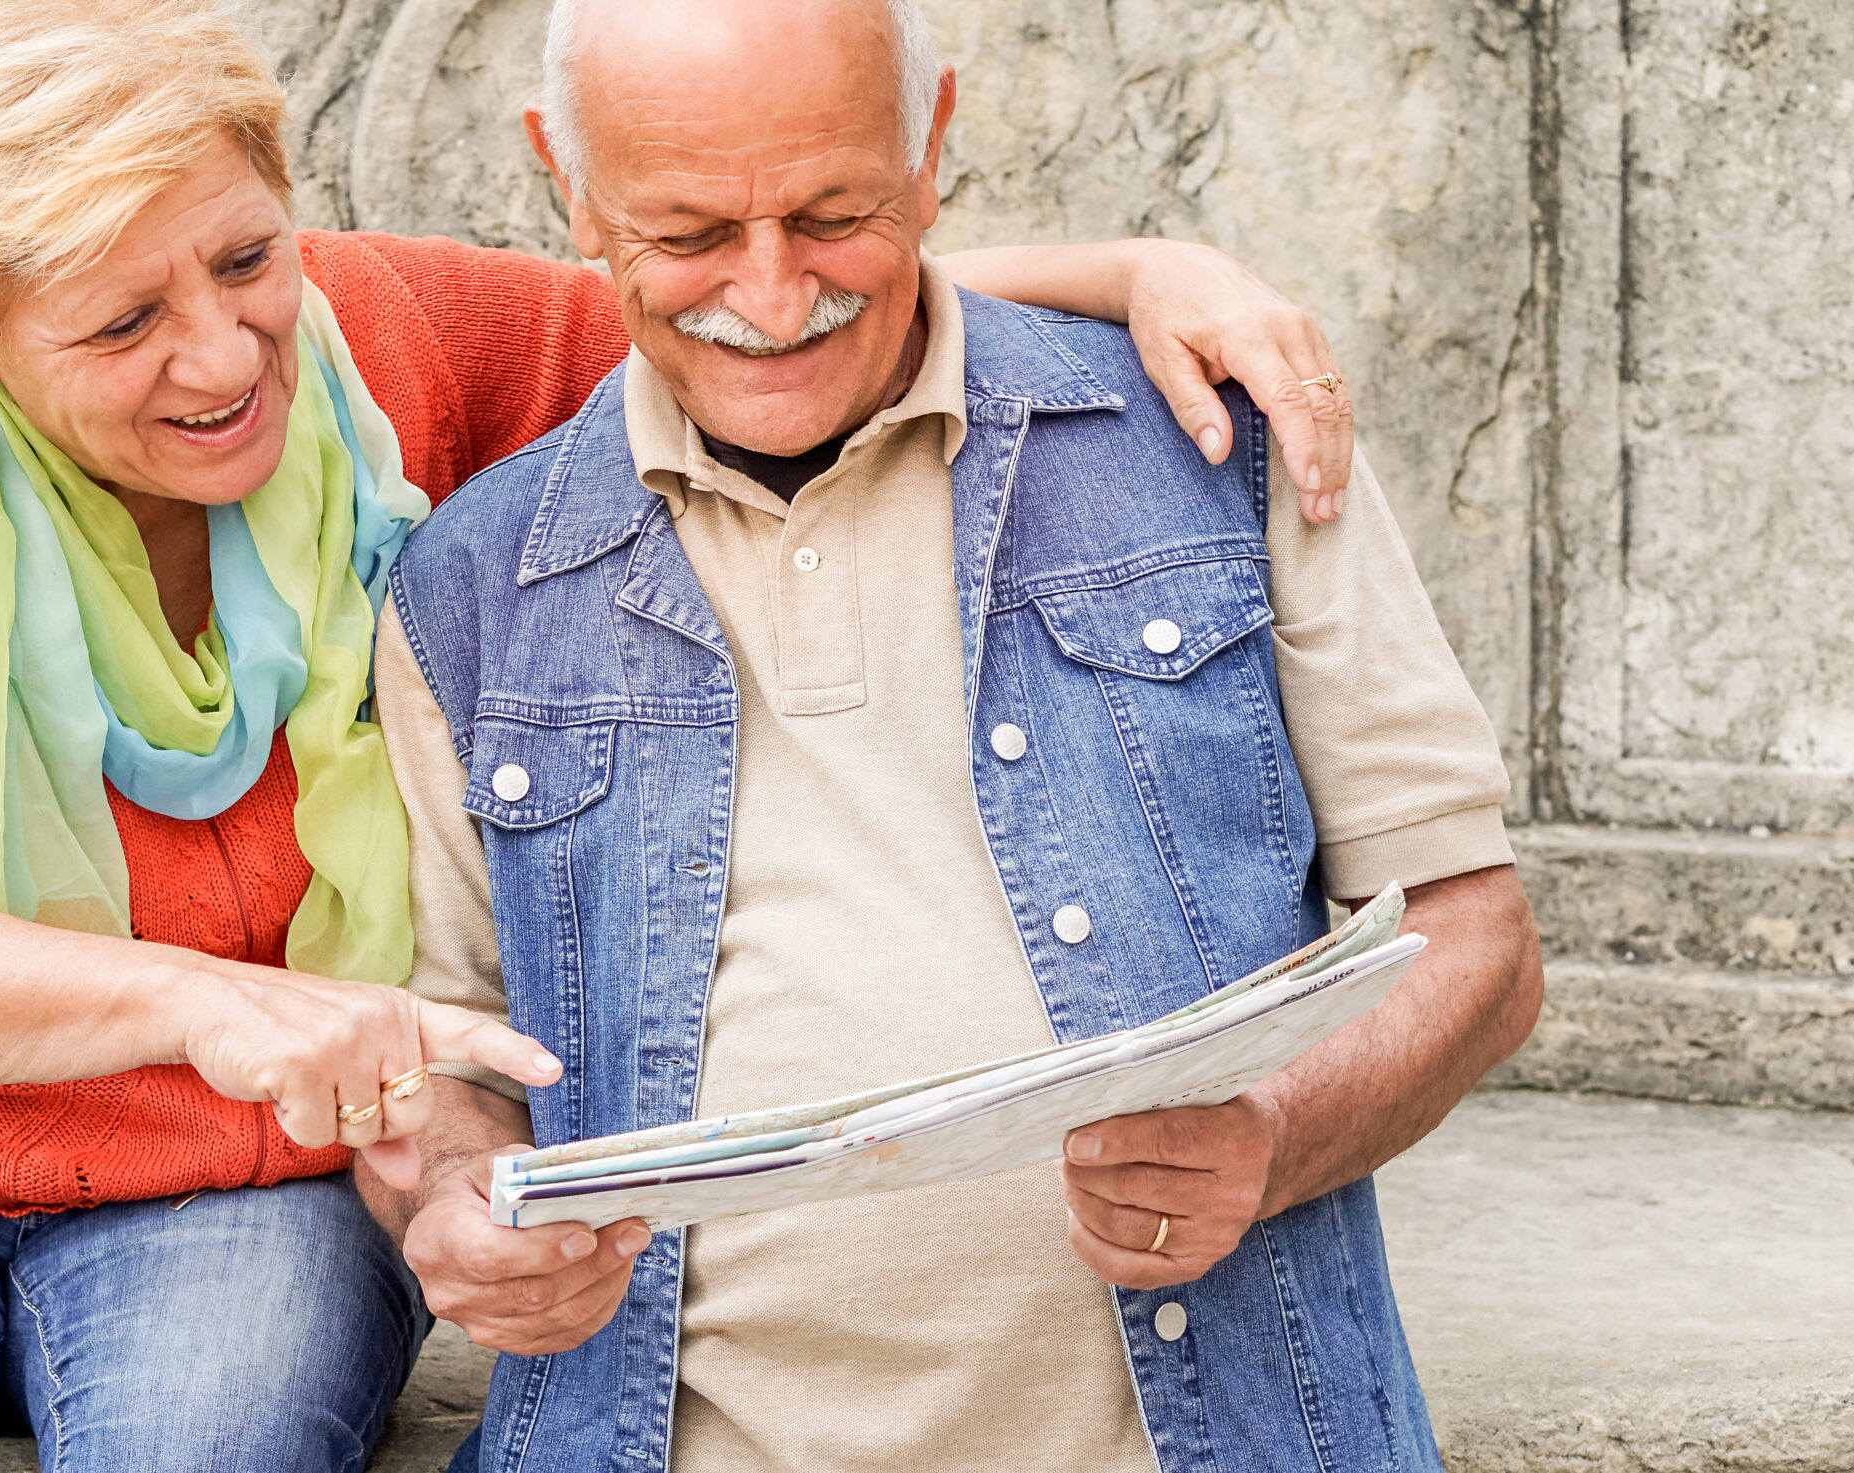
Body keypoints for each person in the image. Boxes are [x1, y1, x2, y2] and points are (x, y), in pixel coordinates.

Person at [0, 0, 1374, 1466]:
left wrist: (1144, 271)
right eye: (122, 320)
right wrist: (219, 1002)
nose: (223, 358)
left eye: (246, 258)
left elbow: (732, 301)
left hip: (224, 1171)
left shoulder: (380, 345)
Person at [364, 1, 1546, 1470]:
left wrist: (1270, 1137)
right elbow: (438, 1065)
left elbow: (1476, 939)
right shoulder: (467, 585)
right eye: (687, 232)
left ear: (930, 147)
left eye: (832, 210)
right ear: (570, 186)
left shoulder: (1216, 439)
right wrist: (461, 1206)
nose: (773, 291)